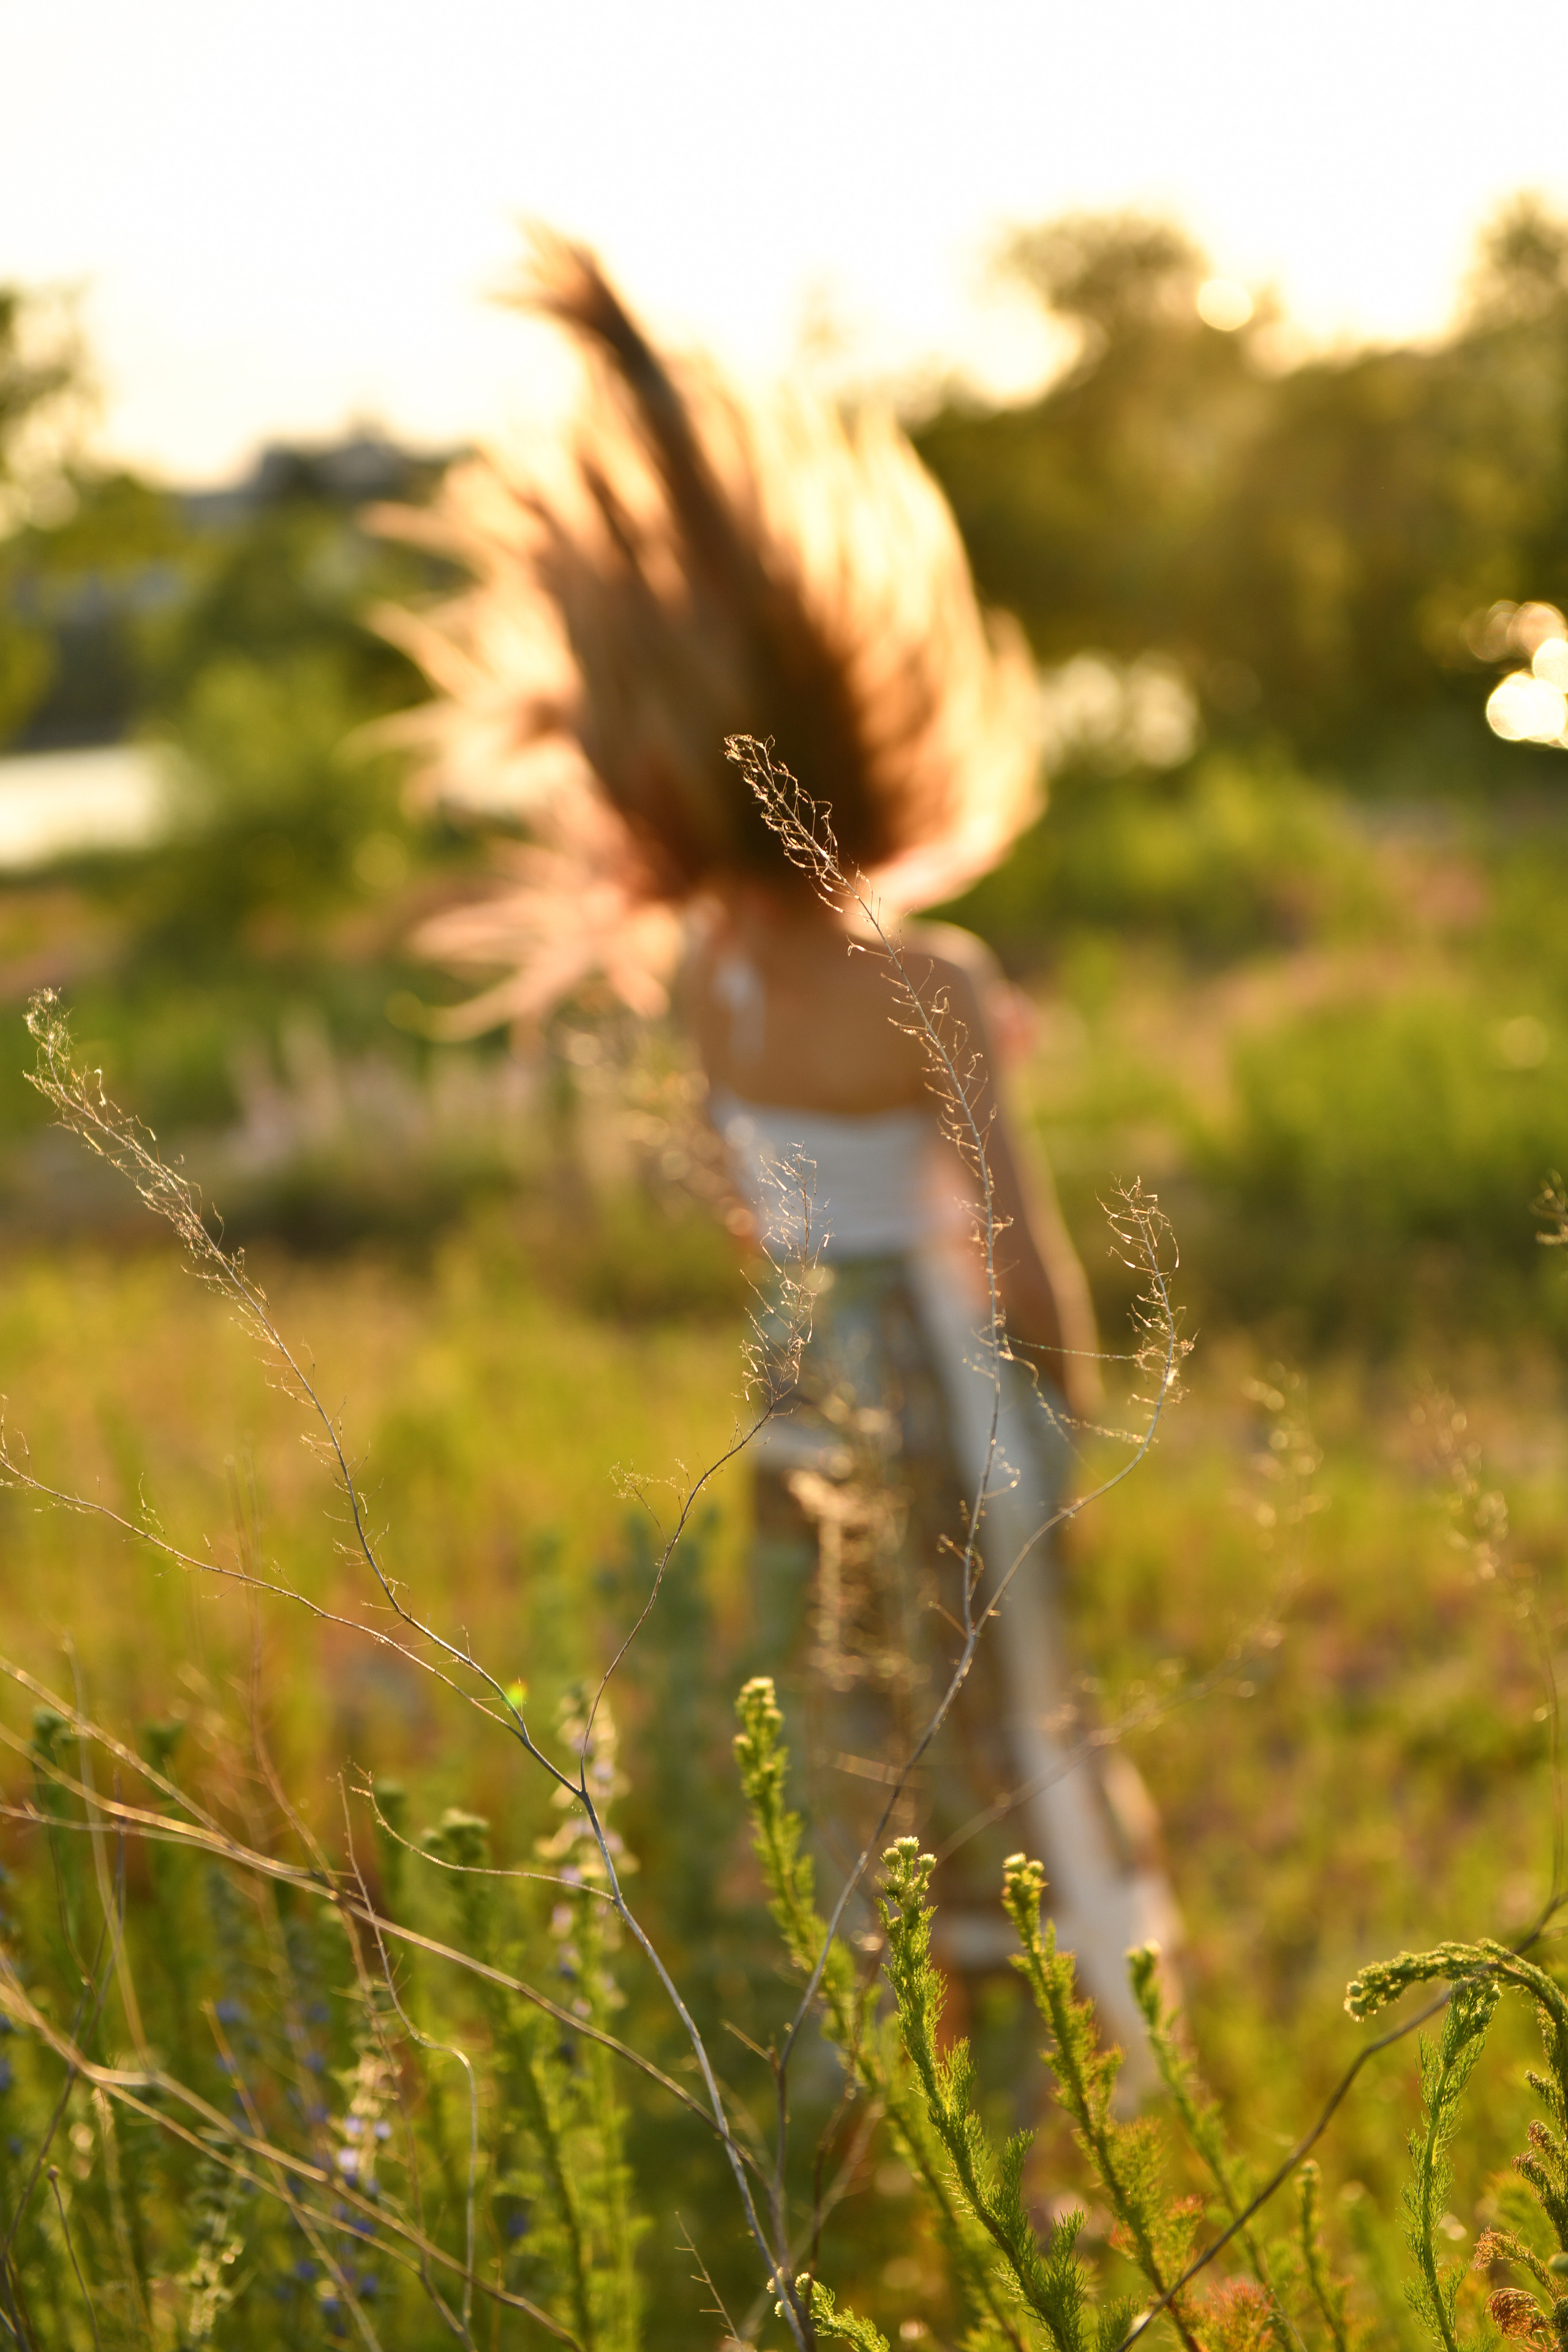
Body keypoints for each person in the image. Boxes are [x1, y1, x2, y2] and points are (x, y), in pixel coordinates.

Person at [379, 235, 1180, 2082]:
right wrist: (1067, 1421)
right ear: (853, 728)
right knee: (1012, 1698)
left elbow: (739, 1195)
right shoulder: (935, 981)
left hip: (793, 1382)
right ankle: (1068, 2043)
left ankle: (887, 2030)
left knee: (848, 1707)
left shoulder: (710, 975)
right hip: (932, 1379)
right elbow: (1028, 1251)